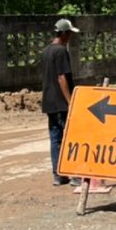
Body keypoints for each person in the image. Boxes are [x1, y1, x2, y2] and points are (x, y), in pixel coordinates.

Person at [42, 18, 79, 186]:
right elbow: (62, 77)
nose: (70, 36)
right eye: (69, 33)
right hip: (60, 103)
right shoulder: (61, 51)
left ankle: (58, 174)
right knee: (70, 137)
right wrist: (70, 101)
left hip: (49, 102)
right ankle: (74, 175)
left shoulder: (47, 51)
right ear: (63, 34)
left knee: (55, 138)